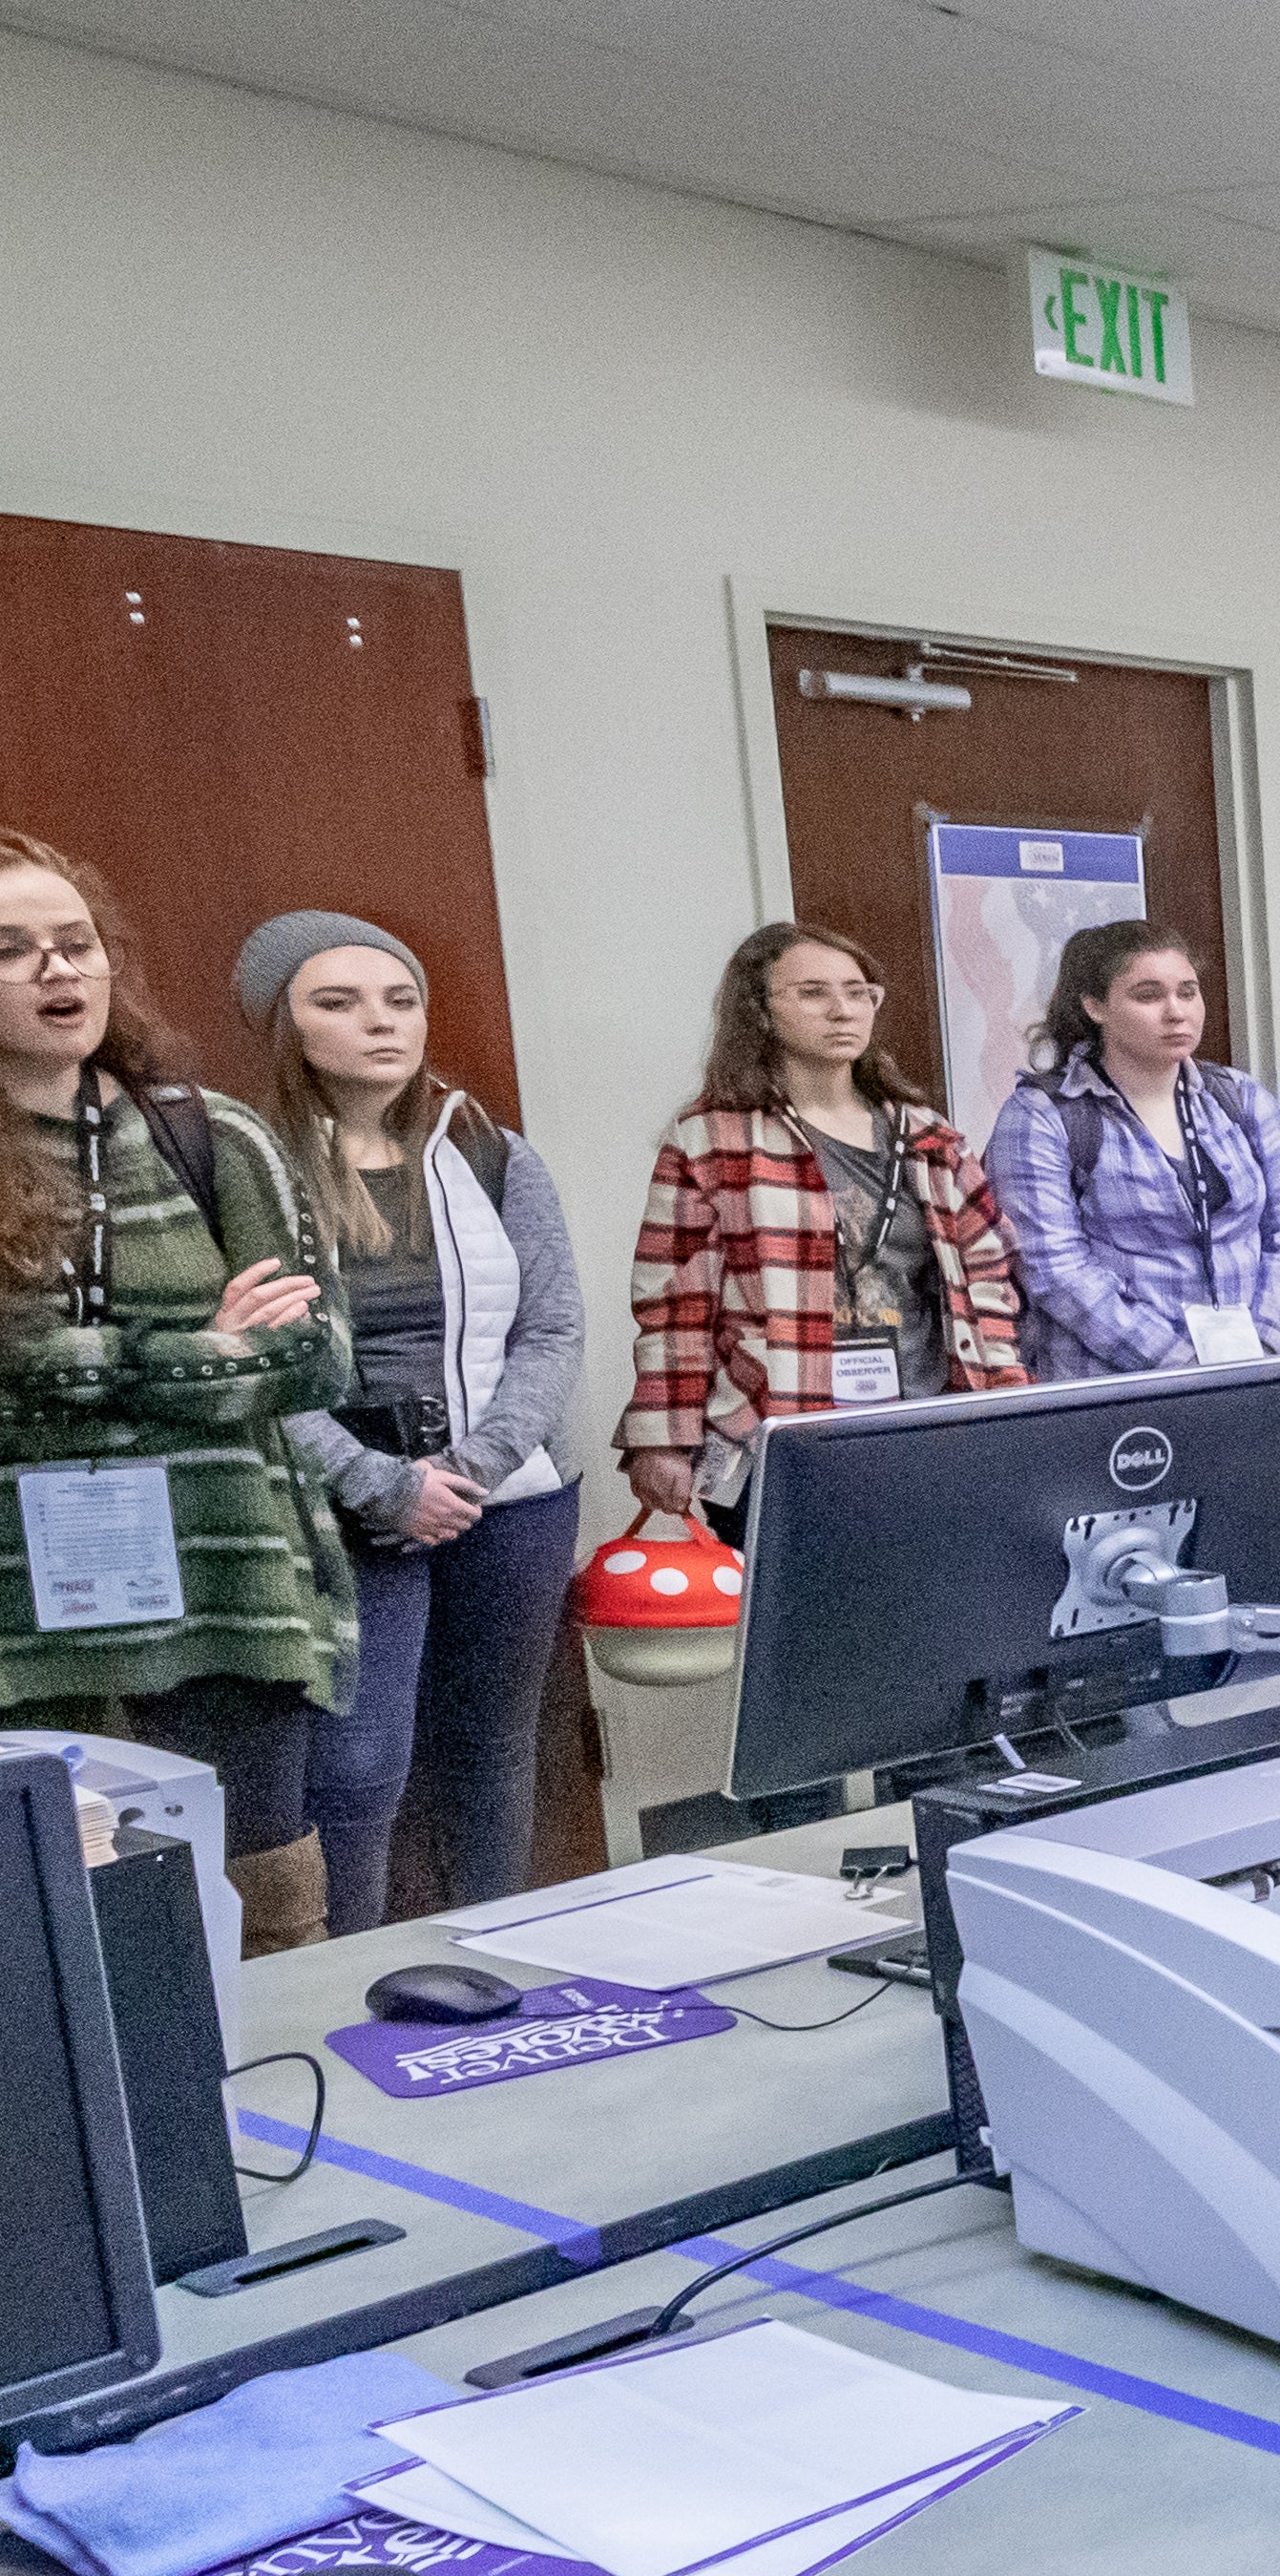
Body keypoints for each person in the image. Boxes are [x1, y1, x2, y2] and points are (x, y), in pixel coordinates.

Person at [0, 833, 354, 1952]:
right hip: (30, 1624)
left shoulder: (213, 1134)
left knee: (264, 1915)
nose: (60, 971)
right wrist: (191, 1351)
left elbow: (316, 1356)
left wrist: (89, 1365)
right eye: (12, 951)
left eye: (76, 943)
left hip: (230, 1593)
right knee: (73, 1930)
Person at [241, 914, 583, 1936]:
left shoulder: (492, 1150)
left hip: (508, 1495)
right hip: (345, 1504)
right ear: (283, 1024)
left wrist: (467, 1468)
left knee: (492, 1745)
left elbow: (553, 1324)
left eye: (400, 999)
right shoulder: (248, 1166)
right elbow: (256, 1361)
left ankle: (499, 1955)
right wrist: (382, 1483)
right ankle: (343, 1980)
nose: (380, 1024)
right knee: (357, 1765)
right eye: (336, 1003)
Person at [621, 923, 1030, 1538]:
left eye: (861, 991)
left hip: (927, 1428)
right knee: (809, 1631)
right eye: (813, 993)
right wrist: (663, 1440)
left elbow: (988, 1280)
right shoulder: (712, 1138)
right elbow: (676, 1307)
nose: (844, 1010)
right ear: (759, 1012)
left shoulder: (928, 1136)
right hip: (780, 1433)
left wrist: (1007, 1398)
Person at [985, 918, 1280, 1383]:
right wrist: (1182, 1365)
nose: (1176, 1011)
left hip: (1251, 1373)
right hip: (1114, 1389)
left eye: (1188, 992)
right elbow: (1054, 1268)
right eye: (1148, 995)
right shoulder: (1041, 1114)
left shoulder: (1240, 1098)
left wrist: (1262, 1343)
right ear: (1094, 1006)